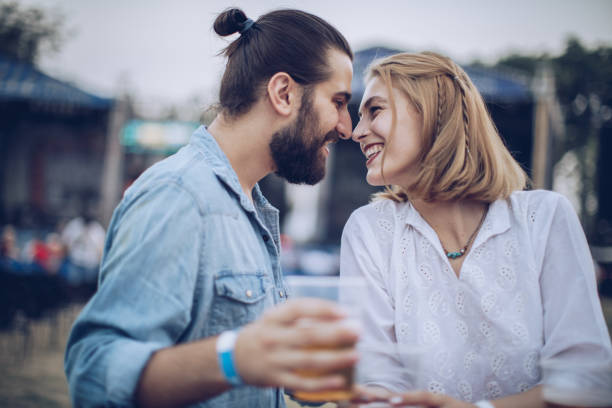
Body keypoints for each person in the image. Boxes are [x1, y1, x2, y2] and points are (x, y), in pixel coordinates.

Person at [65, 8, 359, 408]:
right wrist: (233, 359)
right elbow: (94, 372)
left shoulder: (249, 205)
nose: (347, 126)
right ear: (284, 93)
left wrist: (304, 369)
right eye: (338, 102)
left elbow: (252, 363)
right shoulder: (180, 197)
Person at [340, 51, 612, 407]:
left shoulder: (544, 219)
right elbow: (373, 384)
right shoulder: (369, 231)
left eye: (374, 110)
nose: (357, 132)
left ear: (433, 113)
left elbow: (587, 381)